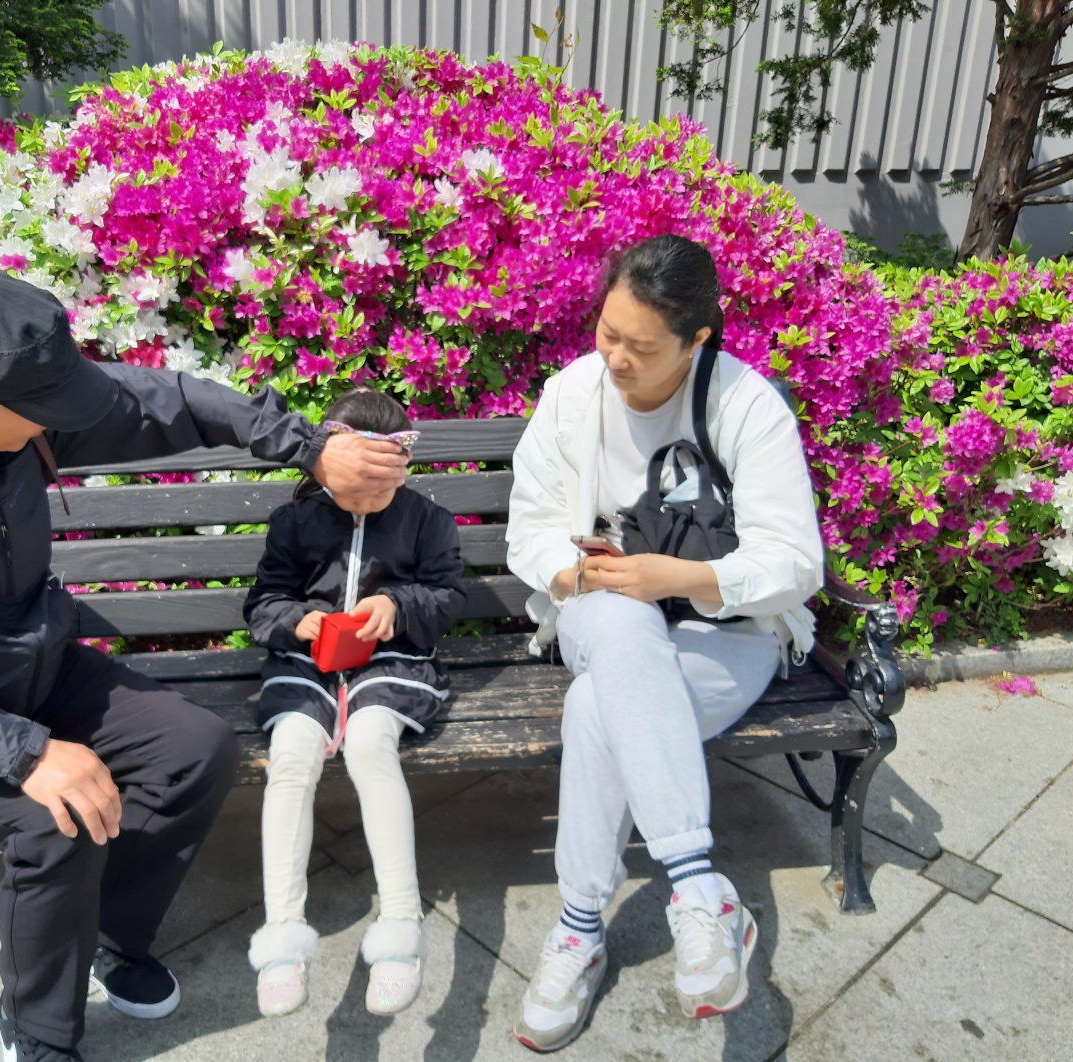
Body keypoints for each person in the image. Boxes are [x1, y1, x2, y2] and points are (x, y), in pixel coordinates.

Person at [0, 266, 410, 1062]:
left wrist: (311, 449)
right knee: (55, 819)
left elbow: (175, 400)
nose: (63, 423)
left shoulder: (16, 406)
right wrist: (29, 754)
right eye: (45, 414)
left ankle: (105, 930)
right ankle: (38, 1032)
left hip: (39, 667)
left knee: (195, 751)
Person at [505, 235, 824, 1052]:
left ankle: (579, 928)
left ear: (696, 340)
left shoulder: (745, 404)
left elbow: (795, 562)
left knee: (597, 710)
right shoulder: (571, 395)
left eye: (641, 348)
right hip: (600, 608)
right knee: (618, 622)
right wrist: (586, 574)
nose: (615, 358)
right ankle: (698, 888)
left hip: (727, 634)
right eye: (607, 332)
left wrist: (673, 577)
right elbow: (529, 534)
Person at [241, 388, 466, 1019]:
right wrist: (298, 621)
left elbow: (447, 597)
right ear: (328, 469)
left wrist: (397, 604)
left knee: (370, 742)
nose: (364, 503)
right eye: (351, 492)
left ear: (402, 469)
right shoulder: (295, 521)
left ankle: (401, 928)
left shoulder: (427, 520)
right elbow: (263, 603)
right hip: (306, 666)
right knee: (291, 755)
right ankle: (282, 937)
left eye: (380, 492)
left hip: (393, 665)